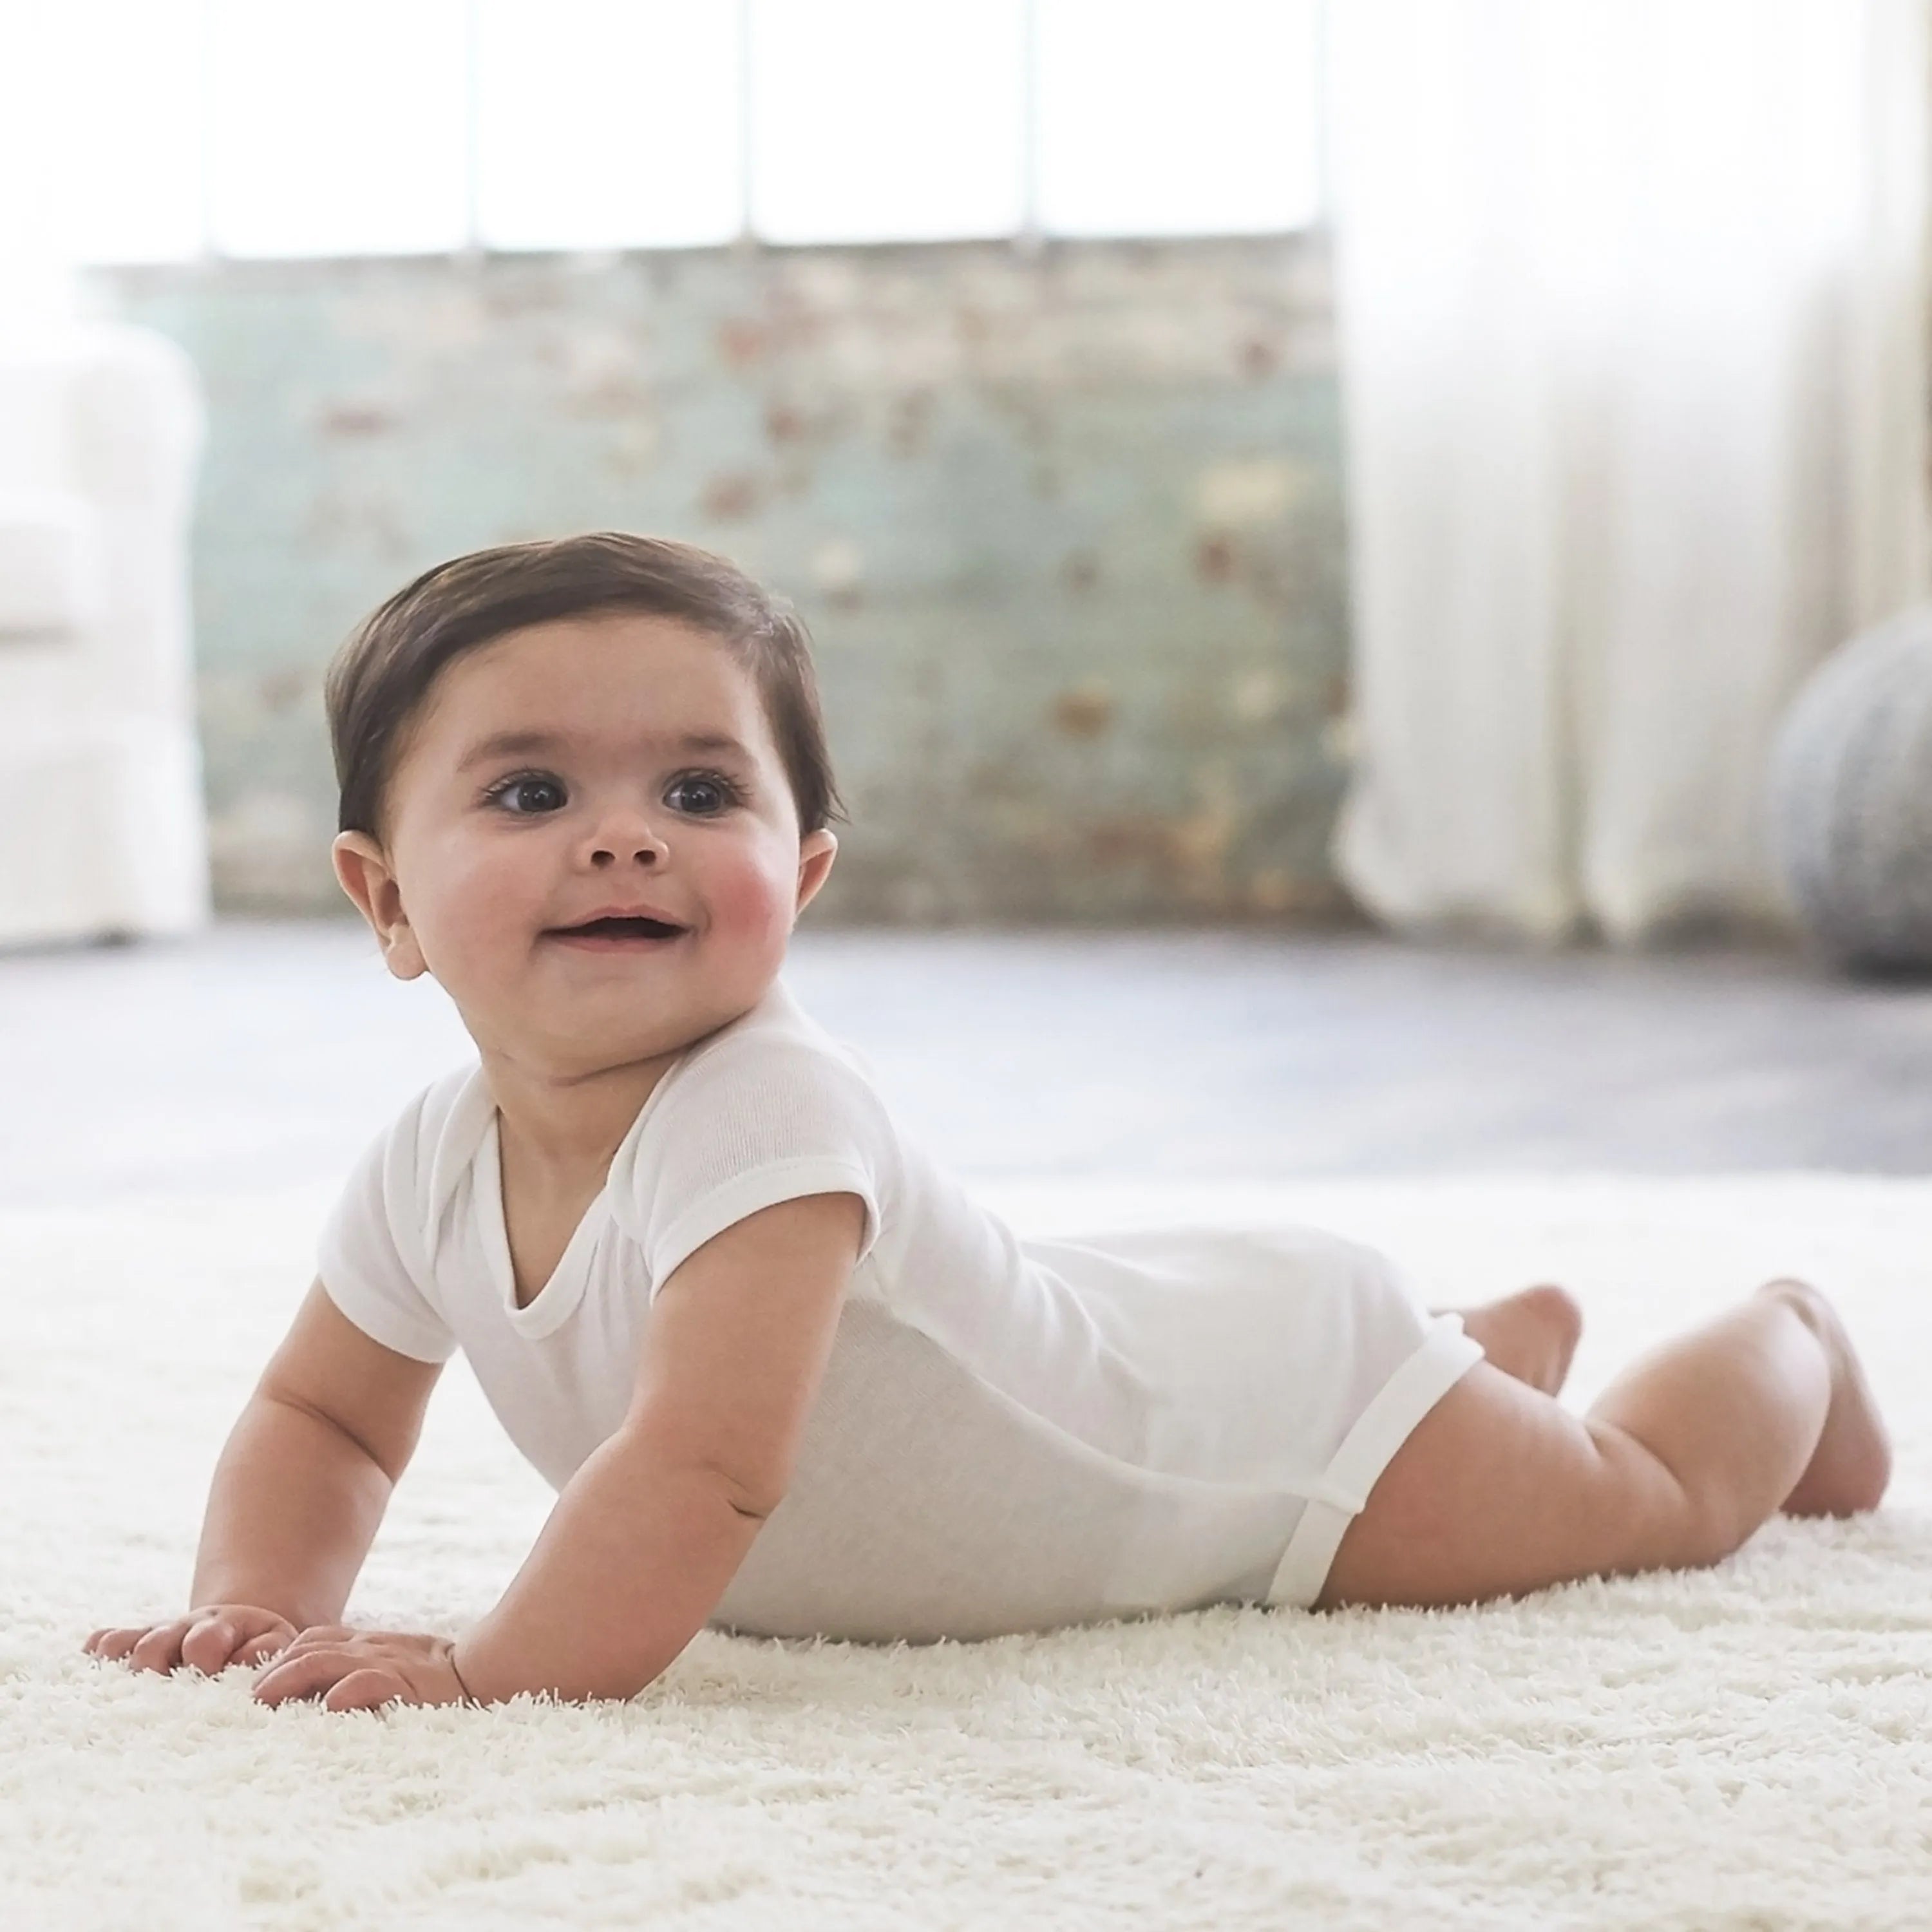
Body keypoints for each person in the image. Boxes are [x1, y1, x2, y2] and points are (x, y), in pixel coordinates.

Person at [84, 533, 1892, 1711]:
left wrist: (494, 1674)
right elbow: (323, 1414)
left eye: (697, 790)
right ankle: (1484, 1346)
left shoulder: (768, 1114)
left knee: (1640, 1506)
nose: (623, 833)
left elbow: (701, 1468)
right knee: (1218, 1353)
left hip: (1278, 1453)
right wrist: (253, 1597)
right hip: (1156, 1337)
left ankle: (1782, 1342)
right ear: (383, 898)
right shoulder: (428, 1163)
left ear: (798, 876)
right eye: (533, 790)